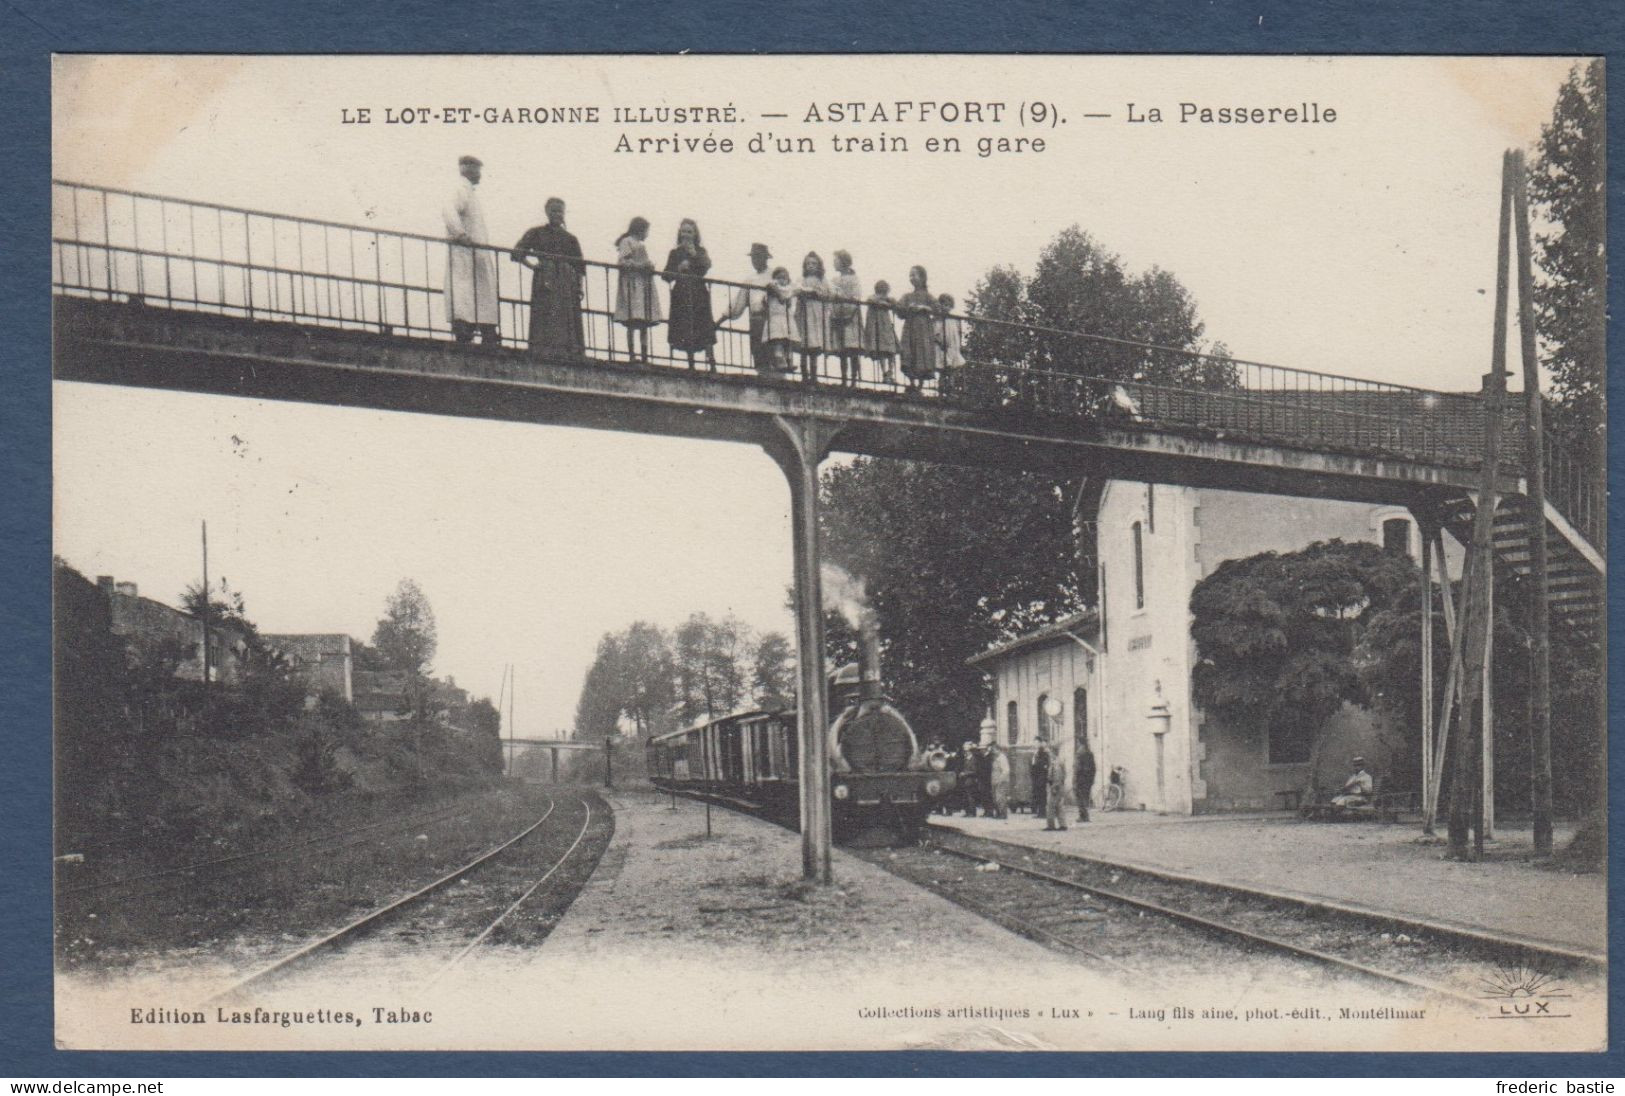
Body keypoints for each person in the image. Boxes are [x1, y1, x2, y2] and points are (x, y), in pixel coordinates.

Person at [510, 197, 584, 358]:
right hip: (546, 279)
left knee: (566, 316)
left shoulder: (571, 238)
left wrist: (579, 287)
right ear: (547, 212)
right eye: (553, 211)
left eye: (560, 211)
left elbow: (580, 267)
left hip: (566, 282)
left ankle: (567, 350)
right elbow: (517, 253)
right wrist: (533, 266)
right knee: (545, 313)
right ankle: (542, 348)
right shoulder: (537, 233)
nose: (557, 214)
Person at [442, 155, 500, 345]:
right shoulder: (461, 189)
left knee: (479, 293)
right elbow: (449, 210)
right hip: (465, 252)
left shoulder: (470, 192)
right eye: (477, 170)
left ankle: (485, 331)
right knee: (464, 292)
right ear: (467, 169)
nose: (480, 175)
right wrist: (460, 234)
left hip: (476, 254)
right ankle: (465, 331)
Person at [662, 218, 716, 370]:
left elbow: (707, 266)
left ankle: (711, 361)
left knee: (704, 326)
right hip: (682, 294)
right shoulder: (675, 252)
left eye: (689, 232)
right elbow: (665, 276)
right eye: (684, 231)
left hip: (698, 292)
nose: (686, 235)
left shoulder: (700, 251)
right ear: (679, 233)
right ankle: (690, 363)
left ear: (695, 234)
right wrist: (678, 269)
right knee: (686, 327)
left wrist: (693, 254)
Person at [613, 217, 661, 361]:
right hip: (633, 286)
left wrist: (649, 266)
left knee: (643, 321)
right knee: (632, 319)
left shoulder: (639, 244)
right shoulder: (627, 241)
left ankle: (644, 354)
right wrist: (640, 266)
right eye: (647, 230)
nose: (647, 234)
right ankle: (632, 354)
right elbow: (622, 261)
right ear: (640, 229)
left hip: (642, 287)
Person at [725, 243, 775, 371]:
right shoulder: (750, 279)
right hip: (756, 321)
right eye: (753, 258)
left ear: (765, 258)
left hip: (771, 320)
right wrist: (721, 319)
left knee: (773, 356)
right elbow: (738, 303)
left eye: (758, 257)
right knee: (758, 355)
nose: (755, 261)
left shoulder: (774, 275)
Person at [897, 265, 939, 393]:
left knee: (921, 353)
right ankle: (912, 383)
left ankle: (920, 385)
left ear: (922, 278)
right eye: (910, 275)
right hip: (910, 329)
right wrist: (906, 308)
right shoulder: (907, 296)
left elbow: (937, 309)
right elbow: (899, 310)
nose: (912, 278)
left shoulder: (928, 296)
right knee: (909, 352)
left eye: (914, 275)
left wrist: (925, 308)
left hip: (923, 330)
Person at [828, 250, 864, 386]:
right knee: (842, 349)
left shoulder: (854, 279)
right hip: (838, 316)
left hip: (851, 317)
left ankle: (854, 380)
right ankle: (844, 379)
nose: (834, 263)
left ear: (842, 261)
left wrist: (844, 301)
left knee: (852, 348)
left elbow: (856, 296)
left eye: (836, 260)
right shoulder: (834, 280)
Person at [797, 252, 831, 383]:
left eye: (814, 264)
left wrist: (818, 293)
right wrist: (807, 291)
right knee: (804, 343)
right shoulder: (802, 279)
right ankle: (804, 374)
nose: (811, 266)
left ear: (819, 266)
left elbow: (828, 293)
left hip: (816, 314)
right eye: (808, 263)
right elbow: (798, 288)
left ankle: (814, 374)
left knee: (814, 344)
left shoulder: (822, 280)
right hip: (804, 313)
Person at [762, 267, 801, 373]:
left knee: (788, 343)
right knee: (778, 342)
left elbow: (798, 290)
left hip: (786, 319)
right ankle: (780, 363)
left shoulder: (789, 289)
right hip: (776, 318)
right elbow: (769, 286)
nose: (782, 280)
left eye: (784, 277)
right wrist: (779, 295)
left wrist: (790, 296)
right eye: (779, 277)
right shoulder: (774, 287)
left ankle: (789, 362)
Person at [862, 280, 900, 385]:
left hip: (886, 327)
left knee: (891, 351)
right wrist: (881, 301)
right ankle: (885, 374)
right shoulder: (873, 297)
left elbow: (895, 303)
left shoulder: (888, 299)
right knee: (882, 351)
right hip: (878, 328)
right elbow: (870, 299)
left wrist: (887, 301)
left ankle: (890, 372)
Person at [1046, 744, 1071, 831]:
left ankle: (1051, 825)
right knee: (1059, 806)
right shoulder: (1056, 761)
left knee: (1051, 806)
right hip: (1057, 786)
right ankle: (1062, 825)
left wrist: (1054, 787)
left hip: (1055, 786)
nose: (1049, 753)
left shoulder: (1057, 763)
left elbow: (1058, 776)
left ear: (1053, 752)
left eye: (1050, 752)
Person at [1074, 737, 1097, 823]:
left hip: (1080, 779)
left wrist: (1075, 779)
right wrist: (1092, 779)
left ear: (1080, 743)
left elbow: (1077, 768)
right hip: (1088, 780)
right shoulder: (1090, 753)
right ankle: (1086, 816)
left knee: (1080, 798)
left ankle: (1083, 816)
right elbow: (1094, 768)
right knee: (1085, 797)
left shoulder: (1079, 753)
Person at [988, 743, 1011, 820]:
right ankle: (998, 813)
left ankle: (1003, 814)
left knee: (1000, 798)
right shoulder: (996, 758)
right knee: (995, 798)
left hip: (1001, 782)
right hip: (994, 781)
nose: (992, 752)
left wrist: (1000, 779)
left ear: (998, 750)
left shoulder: (1002, 758)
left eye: (994, 750)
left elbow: (1006, 770)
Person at [1030, 743, 1051, 819]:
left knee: (1041, 796)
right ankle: (1041, 812)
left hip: (1040, 780)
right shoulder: (1041, 756)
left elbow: (1036, 767)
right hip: (1039, 779)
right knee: (1040, 796)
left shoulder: (1041, 757)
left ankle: (1042, 813)